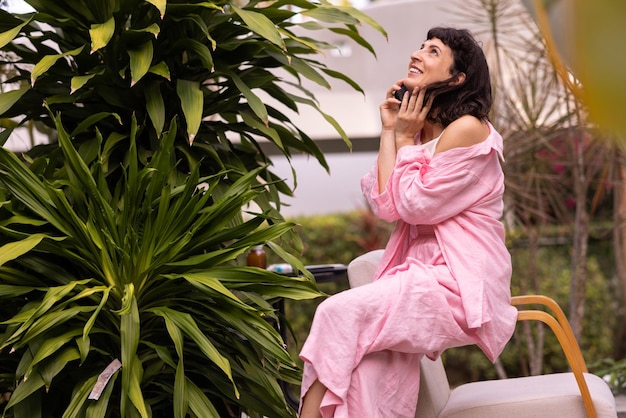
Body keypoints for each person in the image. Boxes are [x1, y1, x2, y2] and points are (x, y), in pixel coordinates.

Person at [298, 27, 519, 418]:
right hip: (421, 274)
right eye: (419, 47)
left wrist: (402, 140)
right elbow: (387, 206)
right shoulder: (417, 134)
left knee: (335, 312)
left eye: (432, 51)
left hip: (458, 281)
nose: (417, 55)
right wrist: (391, 130)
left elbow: (415, 206)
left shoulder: (468, 129)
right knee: (367, 366)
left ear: (457, 78)